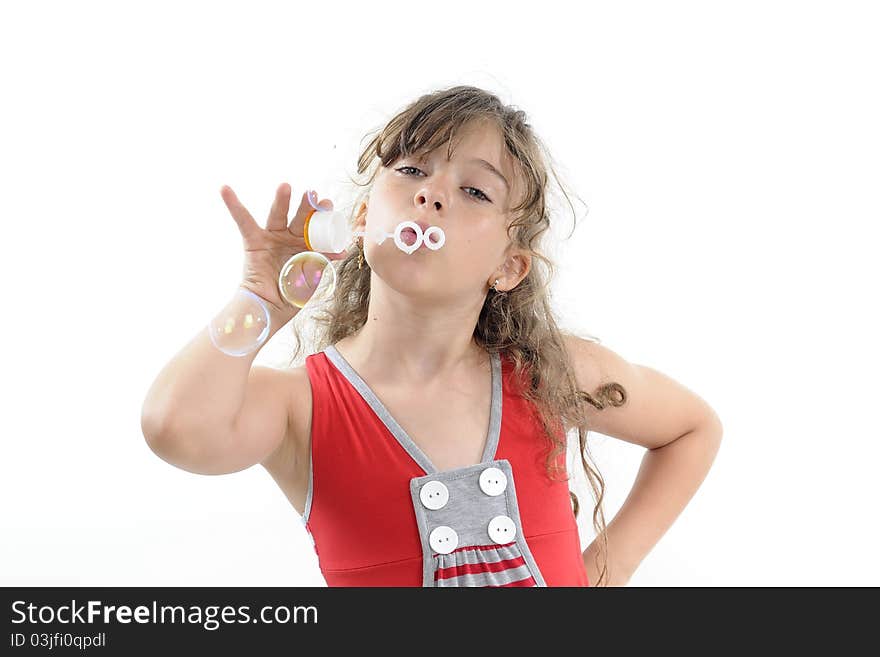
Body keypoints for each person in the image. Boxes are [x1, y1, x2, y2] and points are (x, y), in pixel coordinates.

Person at [141, 85, 724, 587]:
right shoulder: (302, 405)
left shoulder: (548, 372)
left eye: (475, 191)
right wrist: (261, 303)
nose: (431, 193)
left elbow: (692, 429)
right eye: (412, 170)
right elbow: (175, 429)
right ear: (364, 217)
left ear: (508, 267)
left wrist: (600, 575)